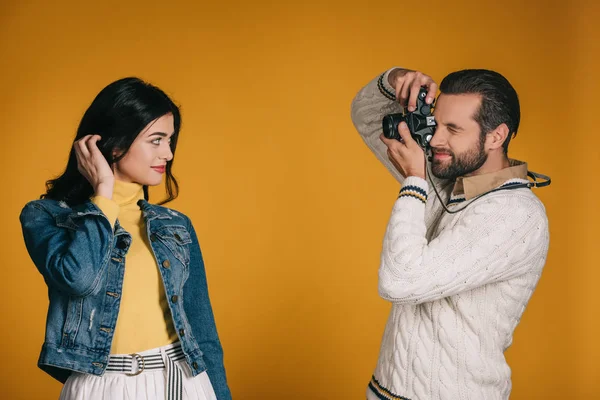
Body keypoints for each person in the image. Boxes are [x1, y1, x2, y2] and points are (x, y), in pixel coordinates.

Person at [19, 77, 231, 400]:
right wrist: (104, 193)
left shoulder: (176, 226)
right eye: (156, 140)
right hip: (101, 386)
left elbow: (204, 335)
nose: (169, 153)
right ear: (115, 144)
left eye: (170, 140)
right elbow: (78, 277)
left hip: (181, 381)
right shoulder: (47, 217)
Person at [351, 67, 550, 400]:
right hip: (388, 391)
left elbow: (399, 280)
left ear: (496, 136)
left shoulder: (516, 214)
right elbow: (368, 116)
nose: (434, 140)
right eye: (436, 124)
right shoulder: (448, 179)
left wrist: (415, 180)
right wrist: (397, 80)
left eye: (453, 129)